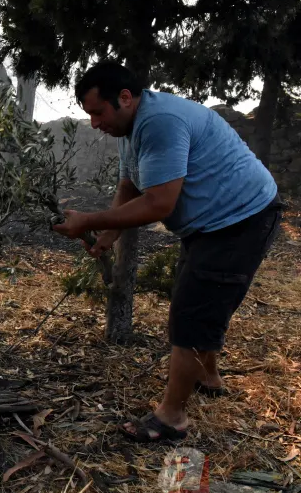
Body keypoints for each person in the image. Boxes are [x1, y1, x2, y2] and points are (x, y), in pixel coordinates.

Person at [53, 62, 283, 443]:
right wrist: (106, 236)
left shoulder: (160, 122)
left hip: (243, 218)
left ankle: (171, 418)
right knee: (197, 297)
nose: (94, 123)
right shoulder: (131, 128)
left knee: (192, 312)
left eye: (98, 112)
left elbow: (159, 203)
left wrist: (87, 218)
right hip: (212, 223)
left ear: (125, 98)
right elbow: (129, 187)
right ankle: (208, 376)